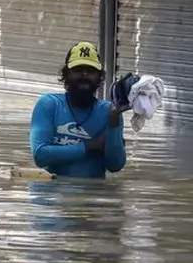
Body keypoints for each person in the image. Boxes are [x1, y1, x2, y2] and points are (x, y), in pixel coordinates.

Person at [29, 42, 129, 179]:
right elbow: (40, 155)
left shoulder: (109, 112)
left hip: (92, 196)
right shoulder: (49, 105)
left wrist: (113, 121)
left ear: (100, 77)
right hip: (52, 194)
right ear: (65, 74)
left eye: (91, 70)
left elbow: (115, 165)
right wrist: (91, 146)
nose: (84, 75)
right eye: (78, 69)